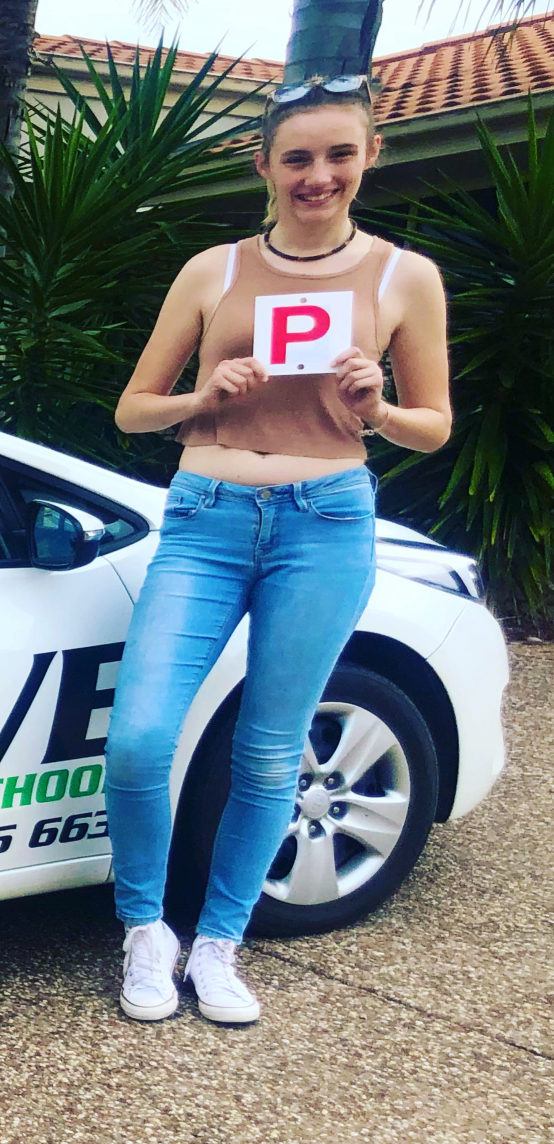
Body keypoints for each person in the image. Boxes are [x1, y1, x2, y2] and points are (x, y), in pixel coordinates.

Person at [106, 76, 451, 1023]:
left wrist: (377, 408)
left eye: (339, 155)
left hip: (327, 522)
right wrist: (202, 398)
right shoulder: (212, 271)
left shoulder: (401, 277)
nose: (318, 176)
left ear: (369, 157)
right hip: (208, 515)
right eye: (297, 158)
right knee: (139, 739)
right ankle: (146, 930)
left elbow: (434, 426)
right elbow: (135, 411)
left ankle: (219, 943)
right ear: (263, 165)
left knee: (267, 753)